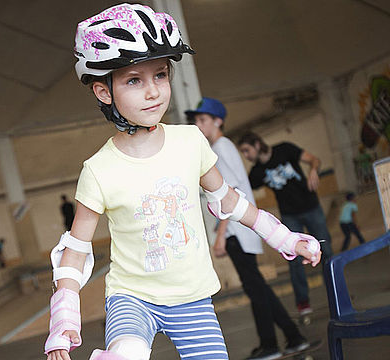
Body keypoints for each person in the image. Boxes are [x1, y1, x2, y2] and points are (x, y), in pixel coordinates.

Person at [44, 4, 322, 360]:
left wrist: (286, 238)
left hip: (193, 299)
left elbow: (228, 201)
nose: (153, 92)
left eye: (160, 75)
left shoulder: (191, 142)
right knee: (125, 354)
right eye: (134, 80)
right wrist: (62, 321)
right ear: (103, 92)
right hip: (132, 298)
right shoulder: (99, 169)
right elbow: (75, 250)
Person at [187, 97, 309, 359]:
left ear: (217, 121)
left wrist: (220, 236)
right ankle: (293, 336)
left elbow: (230, 196)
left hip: (236, 233)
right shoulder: (222, 146)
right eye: (196, 120)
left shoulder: (220, 146)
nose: (198, 124)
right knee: (258, 288)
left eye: (202, 119)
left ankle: (270, 346)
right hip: (239, 232)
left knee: (256, 291)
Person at [237, 132, 333, 316]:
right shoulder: (256, 172)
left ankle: (336, 292)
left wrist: (314, 170)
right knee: (294, 259)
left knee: (326, 251)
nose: (247, 156)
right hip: (289, 216)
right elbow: (243, 188)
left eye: (247, 150)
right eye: (243, 153)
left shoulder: (285, 149)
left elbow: (314, 159)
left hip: (311, 207)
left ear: (257, 144)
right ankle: (303, 303)